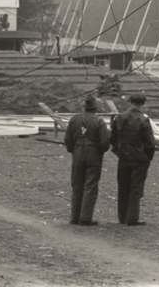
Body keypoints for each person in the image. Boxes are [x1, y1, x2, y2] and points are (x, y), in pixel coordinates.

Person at [64, 94, 110, 225]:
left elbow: (67, 139)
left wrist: (73, 150)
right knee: (90, 186)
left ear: (84, 106)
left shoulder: (74, 119)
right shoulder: (99, 121)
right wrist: (100, 151)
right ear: (95, 108)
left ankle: (74, 217)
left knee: (77, 185)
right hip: (94, 155)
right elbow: (104, 142)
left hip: (77, 153)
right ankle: (85, 218)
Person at [110, 93, 156, 225]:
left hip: (124, 156)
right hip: (139, 158)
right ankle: (132, 218)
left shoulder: (120, 117)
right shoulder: (143, 119)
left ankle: (122, 217)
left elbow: (113, 137)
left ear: (130, 102)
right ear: (143, 103)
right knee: (136, 188)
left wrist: (119, 150)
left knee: (123, 187)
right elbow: (150, 142)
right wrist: (148, 157)